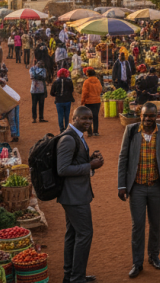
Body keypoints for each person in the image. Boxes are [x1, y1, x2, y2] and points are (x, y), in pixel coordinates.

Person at [117, 102, 160, 278]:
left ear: (157, 116)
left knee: (156, 224)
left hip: (157, 187)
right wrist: (122, 185)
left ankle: (154, 256)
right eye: (145, 115)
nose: (148, 119)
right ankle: (137, 262)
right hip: (137, 187)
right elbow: (123, 158)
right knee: (138, 226)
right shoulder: (132, 131)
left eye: (152, 115)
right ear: (139, 115)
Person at [58, 106, 104, 283]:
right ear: (74, 118)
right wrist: (90, 166)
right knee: (85, 234)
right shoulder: (69, 139)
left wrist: (89, 159)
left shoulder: (77, 136)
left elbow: (73, 162)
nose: (88, 122)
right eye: (84, 118)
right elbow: (62, 169)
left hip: (75, 194)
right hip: (74, 196)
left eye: (90, 119)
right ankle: (76, 278)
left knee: (73, 234)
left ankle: (70, 275)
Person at [0, 76, 21, 142]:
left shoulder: (4, 90)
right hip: (15, 103)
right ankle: (16, 134)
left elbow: (3, 101)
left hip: (11, 105)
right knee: (15, 120)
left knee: (12, 120)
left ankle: (14, 135)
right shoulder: (6, 88)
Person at [81, 68, 103, 137]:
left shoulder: (86, 82)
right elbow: (100, 90)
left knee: (88, 117)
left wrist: (82, 101)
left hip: (89, 101)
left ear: (87, 74)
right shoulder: (98, 81)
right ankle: (96, 131)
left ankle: (89, 132)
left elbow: (85, 93)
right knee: (95, 116)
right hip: (97, 101)